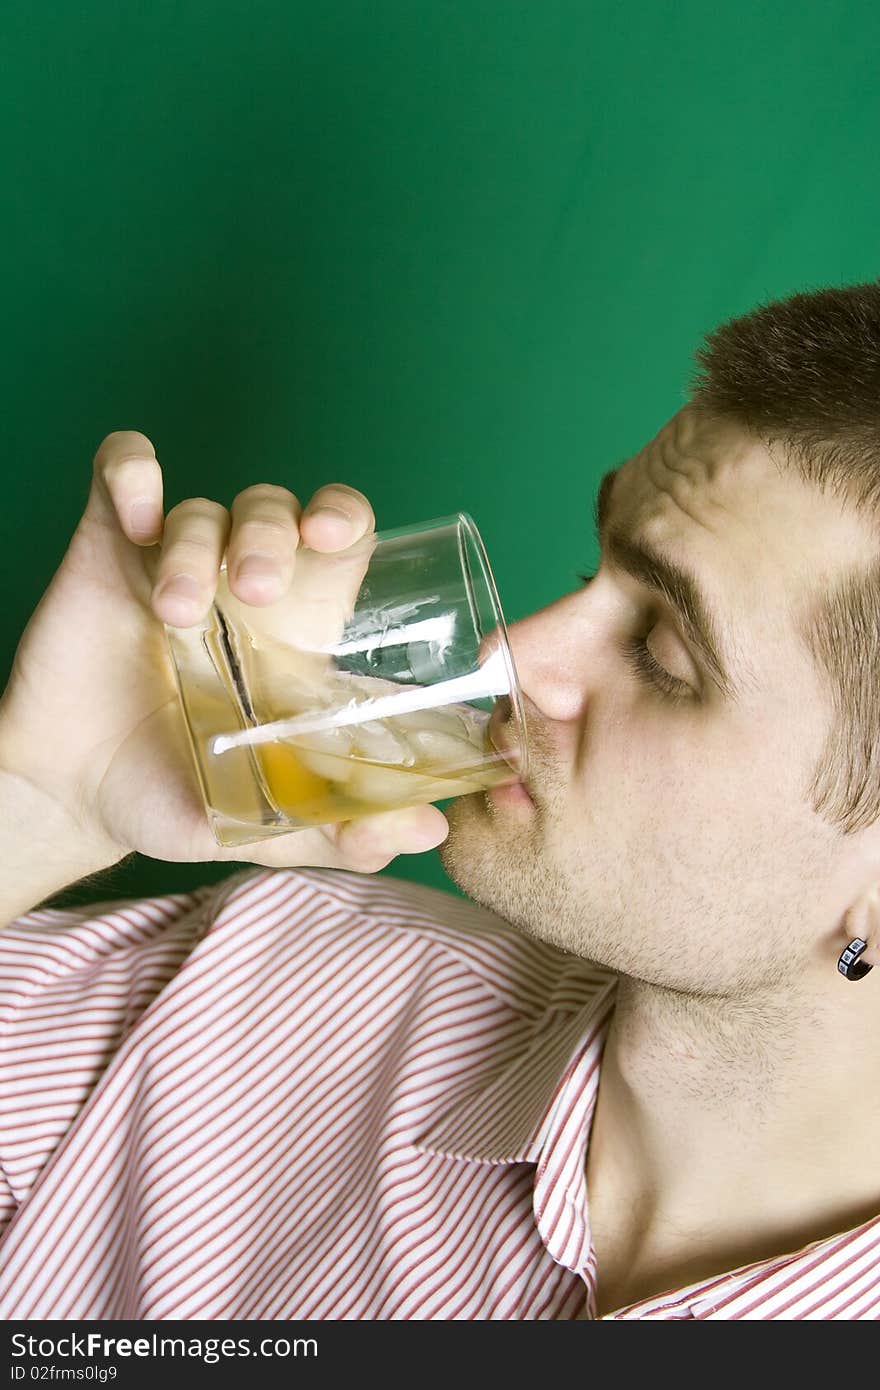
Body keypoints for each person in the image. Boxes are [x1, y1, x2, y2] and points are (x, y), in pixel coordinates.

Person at [1, 281, 879, 1322]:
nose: (512, 651)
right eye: (590, 566)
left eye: (660, 652)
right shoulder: (259, 987)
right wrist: (40, 806)